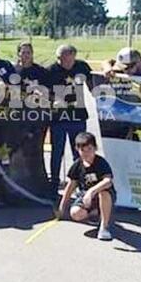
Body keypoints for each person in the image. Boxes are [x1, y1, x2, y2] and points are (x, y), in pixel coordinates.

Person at [47, 44, 93, 199]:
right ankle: (54, 183)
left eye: (67, 59)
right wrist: (52, 100)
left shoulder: (82, 67)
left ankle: (80, 183)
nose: (63, 62)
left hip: (78, 116)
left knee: (80, 152)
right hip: (58, 117)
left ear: (74, 56)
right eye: (60, 59)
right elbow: (44, 91)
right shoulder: (51, 70)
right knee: (57, 152)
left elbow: (94, 84)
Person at [57, 132, 115, 241]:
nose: (86, 153)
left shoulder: (101, 162)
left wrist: (91, 191)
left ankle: (104, 227)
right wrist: (62, 208)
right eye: (82, 150)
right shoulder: (77, 165)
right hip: (85, 196)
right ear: (77, 150)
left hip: (103, 195)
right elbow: (70, 187)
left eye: (89, 149)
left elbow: (108, 181)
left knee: (104, 192)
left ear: (95, 148)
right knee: (75, 213)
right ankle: (94, 213)